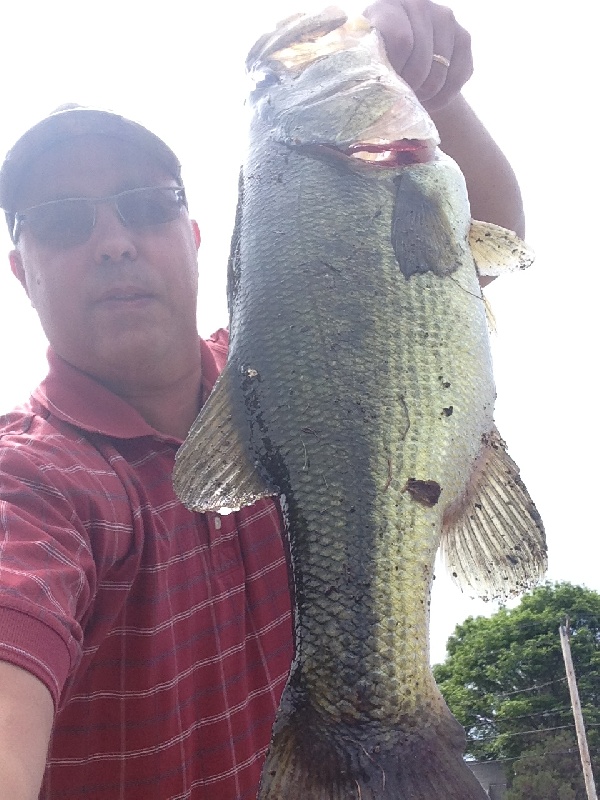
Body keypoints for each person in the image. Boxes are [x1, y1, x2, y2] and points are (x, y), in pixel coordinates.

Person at [0, 1, 525, 798]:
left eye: (146, 206)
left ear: (198, 236)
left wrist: (435, 89)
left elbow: (488, 238)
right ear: (21, 271)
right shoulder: (31, 487)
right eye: (63, 222)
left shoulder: (288, 368)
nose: (113, 240)